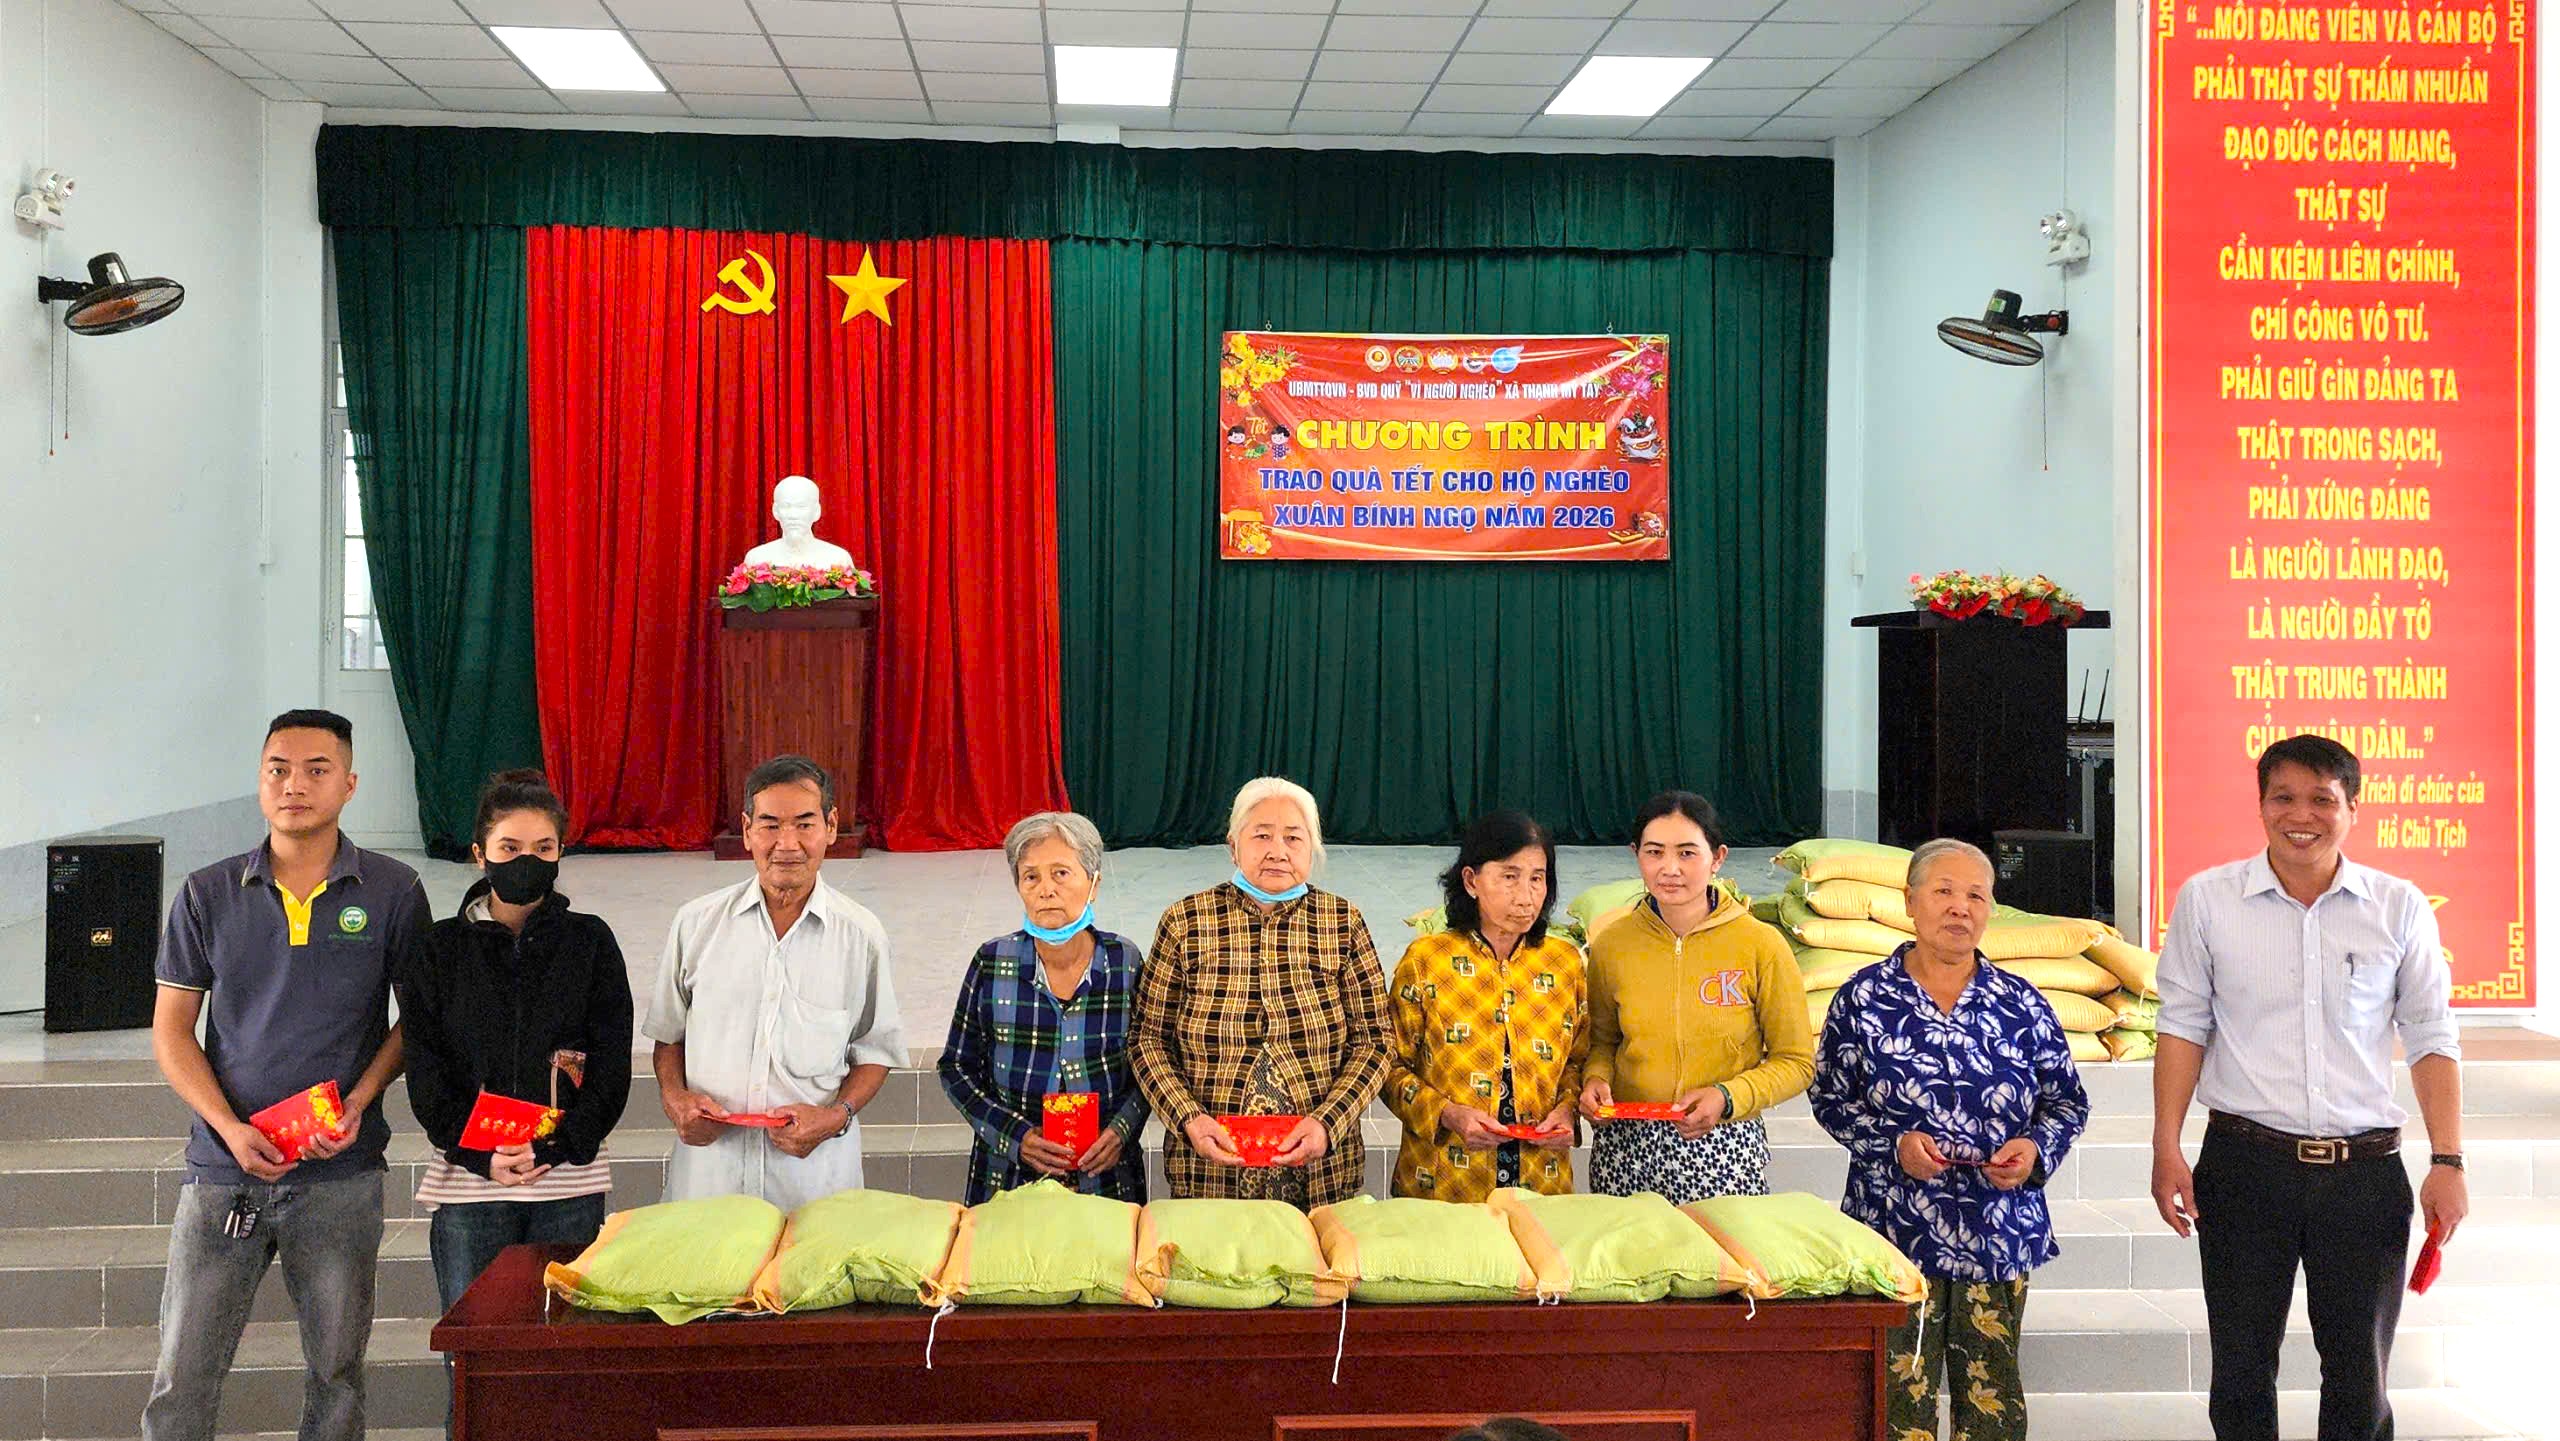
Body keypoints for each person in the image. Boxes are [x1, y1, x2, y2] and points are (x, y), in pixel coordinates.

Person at [2151, 734, 2466, 1441]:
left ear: (2353, 808)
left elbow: (2431, 1036)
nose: (2302, 815)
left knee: (2359, 1380)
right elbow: (2182, 1026)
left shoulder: (2398, 906)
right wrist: (2166, 1145)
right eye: (2283, 797)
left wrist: (2448, 1159)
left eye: (2322, 799)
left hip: (2364, 1176)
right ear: (2261, 805)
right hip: (2243, 1166)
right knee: (2240, 1372)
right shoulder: (2209, 900)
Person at [143, 709, 429, 1441]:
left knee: (336, 1377)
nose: (294, 785)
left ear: (350, 784)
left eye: (316, 770)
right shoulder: (207, 892)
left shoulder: (394, 889)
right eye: (278, 769)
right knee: (182, 1376)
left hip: (339, 1172)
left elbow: (416, 1019)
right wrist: (229, 1128)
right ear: (260, 779)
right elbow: (172, 1031)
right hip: (223, 1171)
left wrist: (361, 1099)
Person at [1808, 838, 2090, 1441]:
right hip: (1892, 1230)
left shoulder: (2022, 1004)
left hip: (1997, 1231)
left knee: (1991, 1405)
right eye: (1943, 891)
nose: (1960, 907)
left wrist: (2036, 1151)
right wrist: (1892, 1144)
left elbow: (2067, 1102)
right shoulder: (1864, 998)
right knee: (1893, 1402)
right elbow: (1829, 1098)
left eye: (1976, 896)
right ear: (1910, 902)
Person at [397, 769, 632, 1325]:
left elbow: (611, 1066)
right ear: (480, 854)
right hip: (469, 1190)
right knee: (475, 1351)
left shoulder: (591, 941)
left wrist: (556, 1147)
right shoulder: (439, 949)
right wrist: (478, 1154)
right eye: (510, 847)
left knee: (564, 1350)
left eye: (543, 848)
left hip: (569, 1185)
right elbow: (426, 1070)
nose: (527, 860)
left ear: (560, 853)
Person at [644, 755, 906, 1212]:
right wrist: (675, 1098)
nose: (787, 844)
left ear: (830, 826)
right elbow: (669, 1036)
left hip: (814, 1188)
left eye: (804, 825)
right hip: (709, 1182)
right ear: (747, 830)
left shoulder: (861, 936)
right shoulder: (696, 924)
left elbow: (876, 1052)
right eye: (770, 825)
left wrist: (835, 1116)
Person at [1130, 776, 1390, 1208]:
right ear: (1233, 846)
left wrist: (1328, 1123)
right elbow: (1147, 1038)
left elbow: (1375, 1040)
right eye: (1262, 835)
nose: (1277, 851)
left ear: (1312, 849)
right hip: (1210, 1175)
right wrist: (1188, 1118)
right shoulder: (1186, 921)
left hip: (1323, 1174)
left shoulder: (1342, 922)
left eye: (1293, 837)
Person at [1577, 790, 1812, 1204]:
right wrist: (1596, 1079)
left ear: (1717, 858)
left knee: (1721, 1249)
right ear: (1636, 855)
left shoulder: (1761, 945)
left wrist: (1728, 1097)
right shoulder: (1612, 944)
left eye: (1687, 853)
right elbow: (1603, 1041)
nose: (1670, 869)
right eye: (1654, 852)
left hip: (1724, 1146)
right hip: (1626, 1149)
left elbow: (1796, 1062)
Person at [938, 812, 1148, 1203]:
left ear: (1094, 884)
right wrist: (1015, 1136)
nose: (1045, 890)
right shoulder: (992, 962)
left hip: (1106, 1180)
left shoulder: (1125, 962)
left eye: (1061, 874)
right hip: (1008, 1179)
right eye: (1031, 876)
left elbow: (1150, 1062)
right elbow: (956, 1067)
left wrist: (1121, 1129)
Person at [1384, 810, 1586, 1201]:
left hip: (1541, 1182)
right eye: (1509, 877)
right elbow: (1389, 1067)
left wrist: (1568, 1110)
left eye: (1537, 878)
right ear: (1471, 880)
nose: (1525, 897)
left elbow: (1580, 1060)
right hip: (1443, 1184)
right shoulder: (1427, 960)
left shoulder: (1564, 963)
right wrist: (1447, 1113)